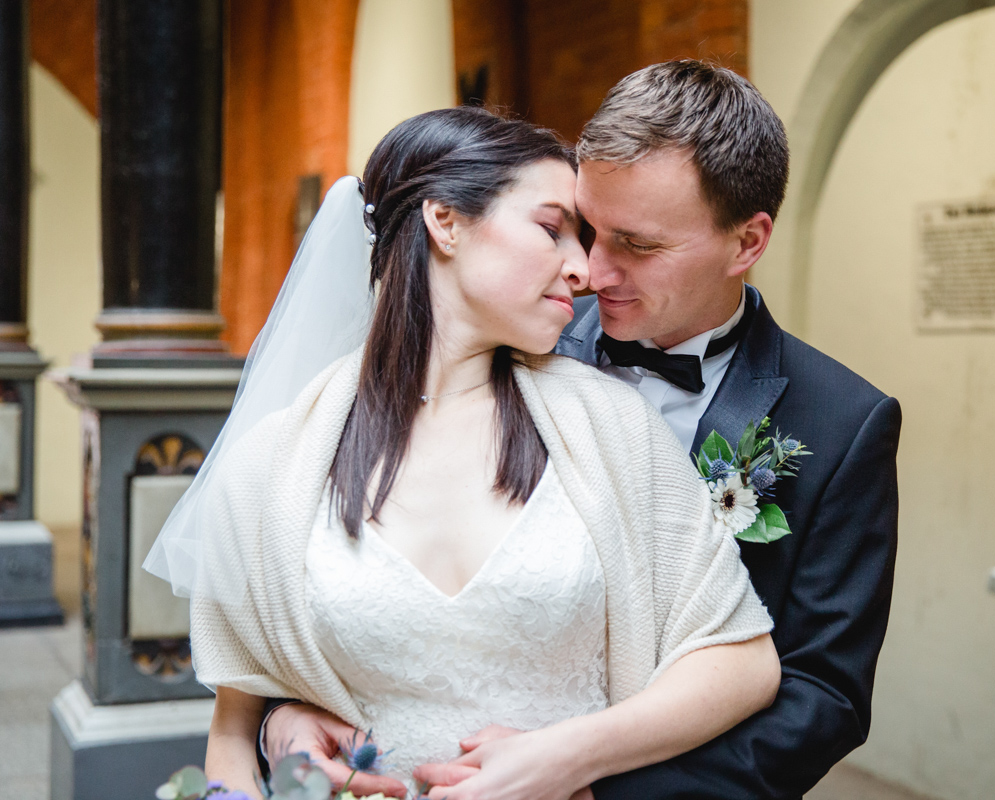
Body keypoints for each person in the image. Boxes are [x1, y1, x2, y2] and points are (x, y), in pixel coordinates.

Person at [264, 60, 902, 799]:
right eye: (585, 227)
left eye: (636, 244)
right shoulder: (506, 339)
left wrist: (589, 781)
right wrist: (283, 711)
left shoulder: (842, 422)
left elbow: (822, 697)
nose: (592, 271)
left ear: (747, 243)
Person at [146, 105, 781, 799]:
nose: (585, 270)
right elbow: (234, 732)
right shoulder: (274, 464)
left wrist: (570, 757)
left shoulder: (610, 425)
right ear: (445, 220)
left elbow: (741, 659)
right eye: (552, 229)